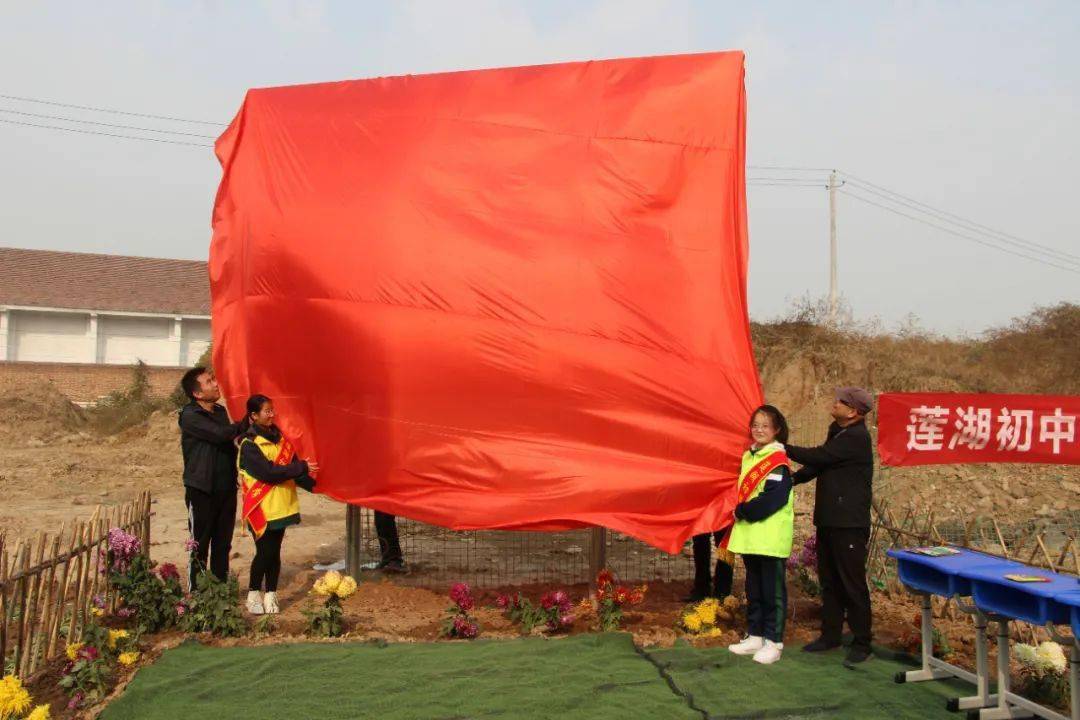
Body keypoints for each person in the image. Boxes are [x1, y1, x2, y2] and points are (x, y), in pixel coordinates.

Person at [788, 387, 875, 666]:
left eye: (841, 402)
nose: (834, 403)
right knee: (829, 581)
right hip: (829, 518)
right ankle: (831, 635)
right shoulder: (836, 430)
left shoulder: (857, 437)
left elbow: (820, 456)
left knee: (852, 583)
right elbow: (822, 465)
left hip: (849, 523)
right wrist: (794, 479)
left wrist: (782, 447)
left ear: (853, 412)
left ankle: (862, 642)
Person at [237, 394, 318, 614]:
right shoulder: (249, 444)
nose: (272, 414)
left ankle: (271, 593)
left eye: (273, 410)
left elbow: (295, 470)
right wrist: (301, 467)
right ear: (254, 416)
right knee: (264, 552)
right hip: (261, 508)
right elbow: (269, 473)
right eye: (267, 411)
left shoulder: (280, 439)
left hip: (282, 506)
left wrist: (316, 486)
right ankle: (254, 593)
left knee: (275, 551)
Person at [726, 405, 794, 665]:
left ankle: (774, 641)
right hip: (751, 537)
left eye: (765, 425)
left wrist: (742, 511)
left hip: (770, 537)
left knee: (772, 592)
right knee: (753, 588)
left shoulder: (777, 461)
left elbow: (772, 500)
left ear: (777, 430)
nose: (759, 430)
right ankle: (754, 634)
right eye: (755, 425)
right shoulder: (750, 456)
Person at [179, 367, 248, 588]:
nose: (215, 384)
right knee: (200, 544)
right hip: (202, 490)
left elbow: (230, 441)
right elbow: (220, 435)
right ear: (197, 394)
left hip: (225, 488)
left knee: (222, 544)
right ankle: (197, 594)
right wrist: (246, 421)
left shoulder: (219, 411)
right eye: (209, 382)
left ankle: (219, 589)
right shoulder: (190, 416)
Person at [684, 530, 734, 603]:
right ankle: (701, 589)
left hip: (722, 518)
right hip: (702, 518)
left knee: (724, 543)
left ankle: (723, 592)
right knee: (700, 542)